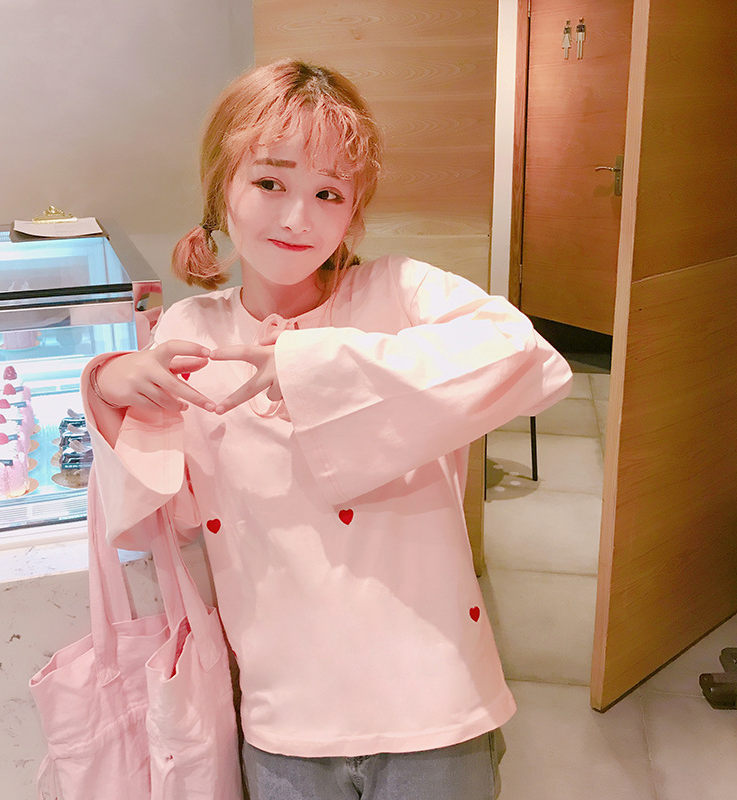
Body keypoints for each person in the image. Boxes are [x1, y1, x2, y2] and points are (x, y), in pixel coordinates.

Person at [83, 59, 572, 800]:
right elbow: (167, 517)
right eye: (270, 182)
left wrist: (305, 366)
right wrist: (108, 385)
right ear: (221, 187)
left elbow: (528, 360)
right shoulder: (190, 327)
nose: (297, 219)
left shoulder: (399, 293)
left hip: (434, 701)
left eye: (328, 193)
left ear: (353, 212)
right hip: (284, 712)